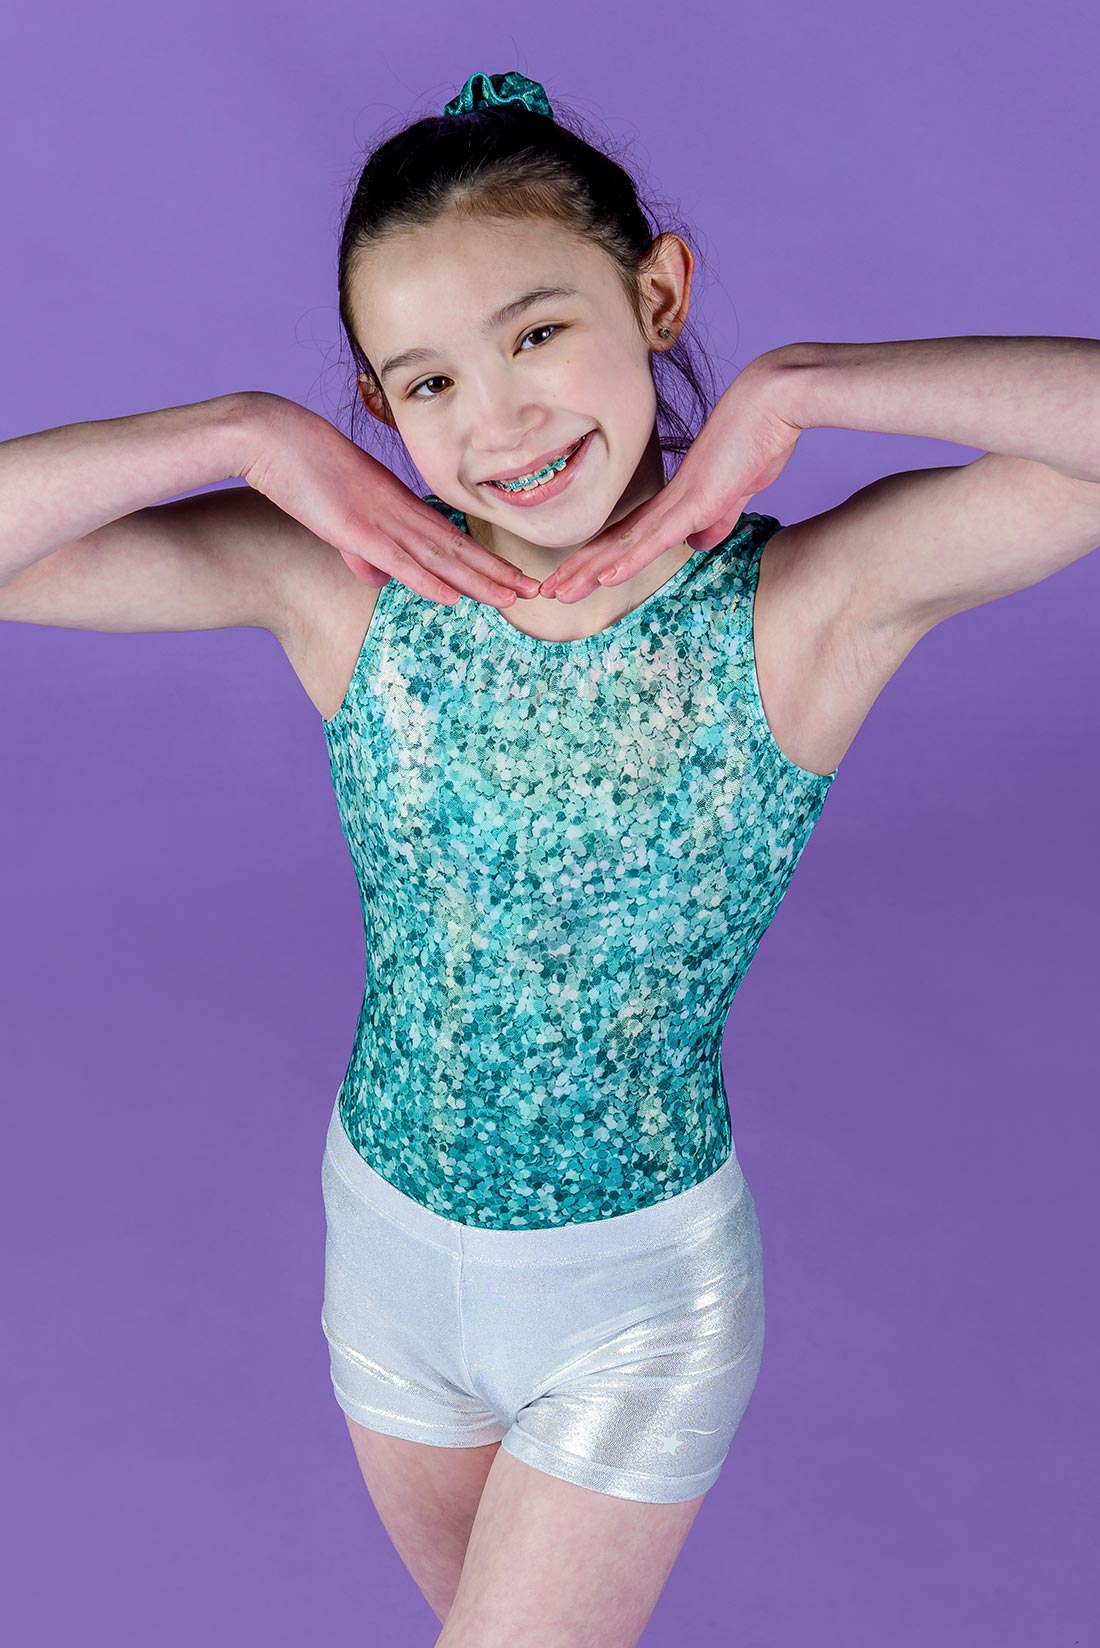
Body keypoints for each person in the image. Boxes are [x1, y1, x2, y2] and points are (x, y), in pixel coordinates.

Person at [3, 65, 1099, 1648]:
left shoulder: (804, 613)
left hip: (629, 1309)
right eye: (427, 381)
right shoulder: (349, 594)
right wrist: (238, 433)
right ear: (377, 409)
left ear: (657, 295)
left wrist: (798, 387)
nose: (500, 419)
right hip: (383, 1264)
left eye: (535, 334)